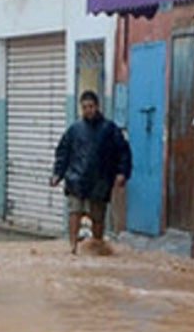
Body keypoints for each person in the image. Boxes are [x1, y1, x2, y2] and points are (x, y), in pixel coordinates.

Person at [51, 90, 133, 255]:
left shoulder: (109, 129)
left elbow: (123, 152)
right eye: (84, 107)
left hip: (100, 180)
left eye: (90, 106)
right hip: (76, 178)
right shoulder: (74, 129)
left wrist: (122, 173)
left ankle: (96, 246)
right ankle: (72, 247)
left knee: (97, 217)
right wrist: (57, 174)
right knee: (74, 212)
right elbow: (63, 153)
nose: (88, 110)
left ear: (97, 106)